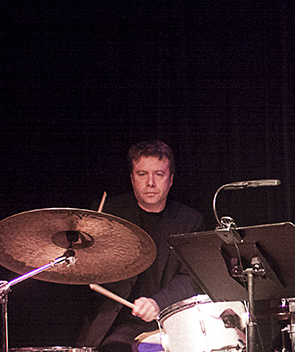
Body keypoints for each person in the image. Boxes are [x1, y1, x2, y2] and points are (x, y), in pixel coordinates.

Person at [76, 140, 205, 352]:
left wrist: (157, 303)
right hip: (119, 324)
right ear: (132, 178)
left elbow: (191, 277)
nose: (150, 183)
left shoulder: (190, 221)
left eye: (159, 174)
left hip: (170, 320)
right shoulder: (110, 214)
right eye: (142, 174)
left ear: (170, 180)